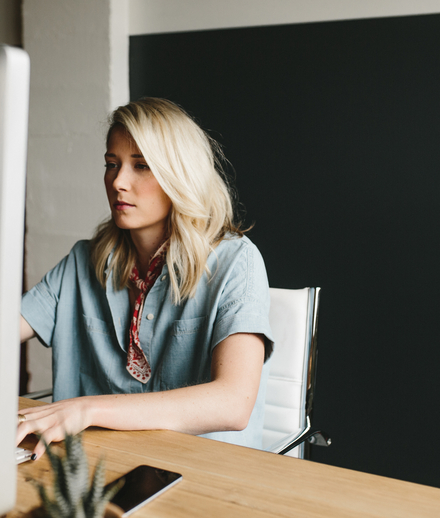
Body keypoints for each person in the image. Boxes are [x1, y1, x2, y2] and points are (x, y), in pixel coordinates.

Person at [17, 98, 273, 459]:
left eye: (141, 166)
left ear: (179, 175)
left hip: (208, 477)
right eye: (111, 164)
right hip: (99, 467)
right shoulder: (82, 260)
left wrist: (87, 409)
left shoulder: (237, 262)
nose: (118, 182)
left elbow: (233, 403)